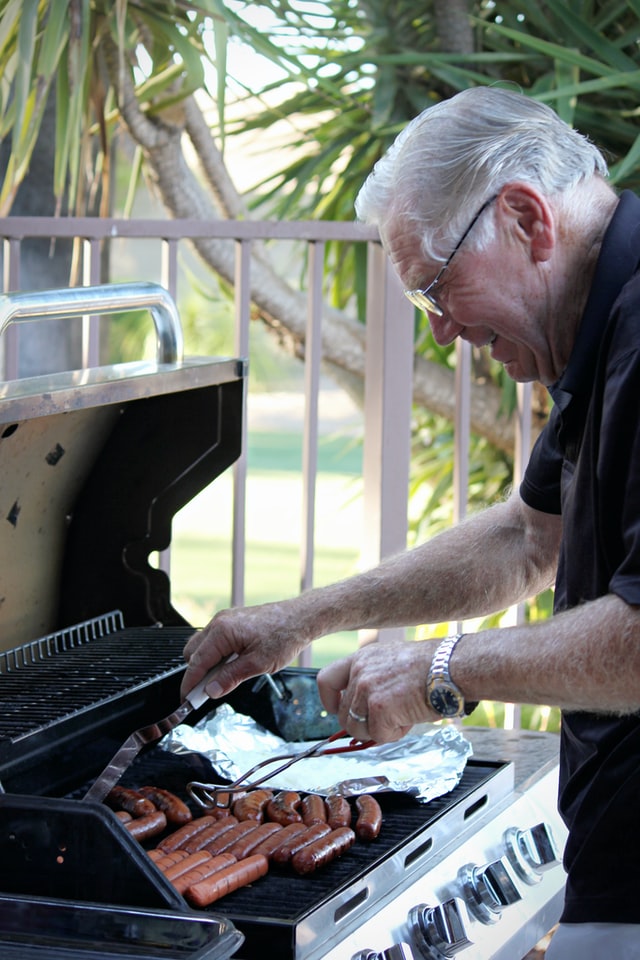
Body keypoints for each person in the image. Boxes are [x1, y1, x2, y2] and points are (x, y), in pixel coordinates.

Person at [181, 87, 640, 958]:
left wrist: (440, 671)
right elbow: (526, 537)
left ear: (525, 219)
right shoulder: (603, 323)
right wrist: (305, 616)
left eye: (436, 288)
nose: (440, 333)